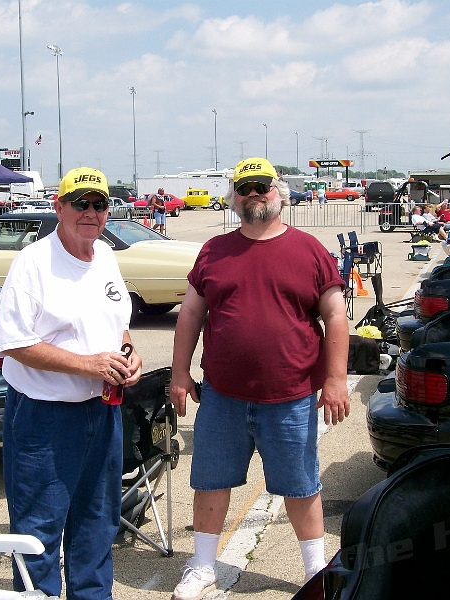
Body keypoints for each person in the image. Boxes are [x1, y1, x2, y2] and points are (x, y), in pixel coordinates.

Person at [169, 157, 350, 600]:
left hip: (291, 398)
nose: (254, 194)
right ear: (234, 196)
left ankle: (314, 573)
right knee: (210, 481)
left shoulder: (310, 250)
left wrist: (337, 379)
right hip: (222, 397)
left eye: (261, 186)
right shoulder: (213, 250)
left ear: (279, 192)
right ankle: (203, 567)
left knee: (301, 486)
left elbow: (335, 316)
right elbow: (191, 313)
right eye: (244, 187)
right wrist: (179, 373)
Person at [0, 166, 143, 600]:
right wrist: (88, 365)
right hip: (45, 419)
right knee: (38, 534)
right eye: (81, 203)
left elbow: (121, 329)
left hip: (103, 412)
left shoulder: (107, 256)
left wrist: (128, 358)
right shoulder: (33, 263)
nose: (90, 212)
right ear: (59, 207)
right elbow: (13, 343)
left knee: (98, 525)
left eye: (99, 204)